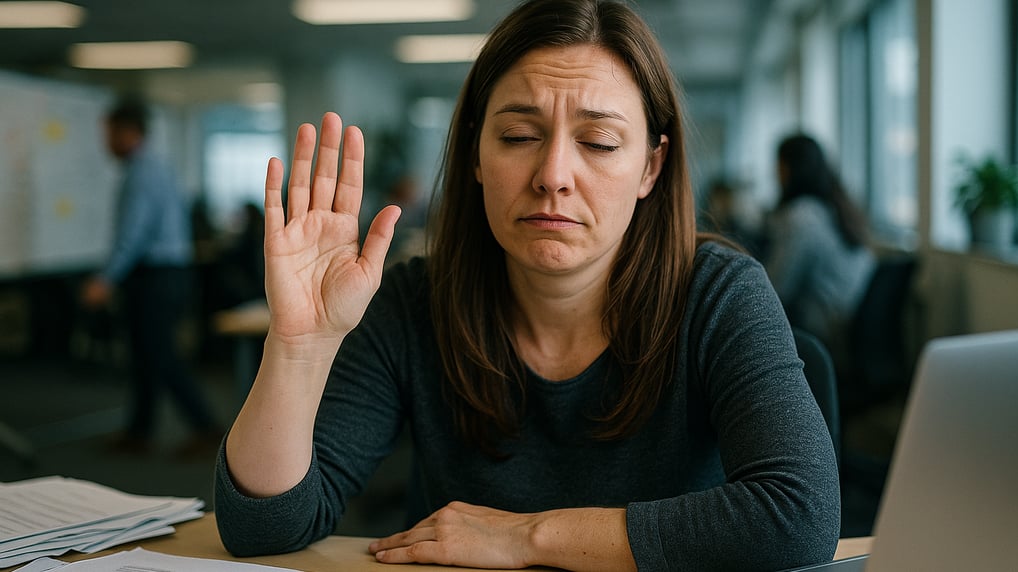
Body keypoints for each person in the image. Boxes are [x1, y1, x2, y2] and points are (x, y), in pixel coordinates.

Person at [213, 1, 840, 570]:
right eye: (518, 136)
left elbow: (799, 515)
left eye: (598, 141)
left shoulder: (718, 293)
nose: (553, 175)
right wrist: (301, 344)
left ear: (651, 166)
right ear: (477, 156)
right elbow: (262, 529)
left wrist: (527, 537)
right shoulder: (412, 301)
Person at [81, 96, 222, 457]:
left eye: (109, 133)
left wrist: (106, 277)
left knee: (159, 354)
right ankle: (139, 431)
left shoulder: (143, 172)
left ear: (127, 132)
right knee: (145, 354)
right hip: (164, 273)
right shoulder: (155, 166)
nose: (105, 142)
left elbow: (135, 232)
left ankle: (207, 428)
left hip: (156, 275)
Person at [761, 133, 876, 369]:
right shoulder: (837, 207)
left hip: (827, 327)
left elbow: (775, 289)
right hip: (851, 319)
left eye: (777, 165)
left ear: (788, 169)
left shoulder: (800, 217)